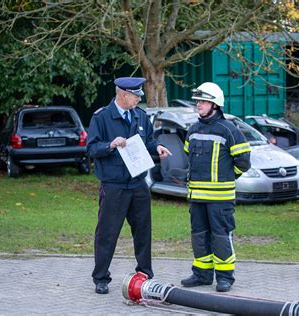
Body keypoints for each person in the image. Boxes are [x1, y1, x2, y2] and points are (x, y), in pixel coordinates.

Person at [87, 77, 172, 294]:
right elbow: (91, 148)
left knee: (143, 231)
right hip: (114, 185)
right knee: (107, 233)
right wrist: (110, 145)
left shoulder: (140, 116)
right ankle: (101, 278)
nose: (138, 100)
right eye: (136, 96)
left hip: (137, 184)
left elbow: (148, 141)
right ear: (123, 95)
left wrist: (158, 147)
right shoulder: (102, 117)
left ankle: (144, 274)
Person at [181, 82, 251, 292]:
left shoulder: (229, 129)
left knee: (221, 237)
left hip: (220, 199)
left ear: (215, 104)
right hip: (197, 197)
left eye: (203, 101)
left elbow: (244, 162)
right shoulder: (192, 130)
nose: (198, 105)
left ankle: (225, 277)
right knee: (199, 237)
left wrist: (227, 178)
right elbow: (188, 156)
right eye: (198, 101)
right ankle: (201, 274)